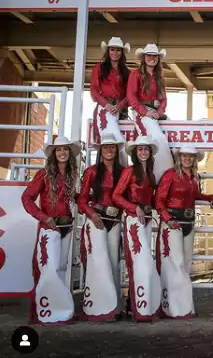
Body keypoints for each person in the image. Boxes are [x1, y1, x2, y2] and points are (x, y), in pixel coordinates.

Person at [21, 136, 81, 324]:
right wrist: (44, 218)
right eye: (58, 150)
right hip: (50, 227)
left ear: (69, 153)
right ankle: (46, 311)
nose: (62, 153)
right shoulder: (44, 174)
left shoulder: (72, 174)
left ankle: (60, 310)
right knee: (50, 269)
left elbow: (74, 198)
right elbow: (26, 198)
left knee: (61, 269)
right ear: (54, 154)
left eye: (65, 149)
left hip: (67, 226)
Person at [155, 146, 213, 319]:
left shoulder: (194, 178)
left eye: (191, 156)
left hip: (188, 222)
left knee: (185, 263)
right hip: (173, 223)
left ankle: (183, 306)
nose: (187, 159)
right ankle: (179, 307)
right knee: (175, 263)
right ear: (179, 157)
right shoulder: (170, 175)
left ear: (195, 159)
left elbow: (195, 195)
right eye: (185, 155)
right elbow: (159, 200)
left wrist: (210, 197)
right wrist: (168, 219)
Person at [112, 135, 161, 322]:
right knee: (140, 262)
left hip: (147, 220)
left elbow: (153, 199)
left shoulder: (151, 174)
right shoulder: (129, 172)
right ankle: (136, 307)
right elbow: (116, 196)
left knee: (144, 262)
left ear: (149, 153)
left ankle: (137, 304)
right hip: (133, 220)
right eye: (140, 149)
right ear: (135, 153)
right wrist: (134, 208)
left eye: (146, 149)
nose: (143, 152)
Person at [77, 133, 125, 322]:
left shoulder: (124, 171)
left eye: (112, 147)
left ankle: (114, 306)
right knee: (98, 261)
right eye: (106, 147)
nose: (109, 150)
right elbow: (82, 200)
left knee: (113, 262)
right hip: (96, 218)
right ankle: (97, 305)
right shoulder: (91, 172)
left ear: (116, 149)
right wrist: (92, 214)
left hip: (115, 219)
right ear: (100, 150)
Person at [127, 43, 174, 183]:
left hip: (155, 113)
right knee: (157, 139)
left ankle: (169, 175)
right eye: (149, 55)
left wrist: (159, 113)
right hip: (141, 112)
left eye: (154, 56)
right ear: (144, 57)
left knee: (169, 137)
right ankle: (160, 178)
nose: (152, 58)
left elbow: (163, 99)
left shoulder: (160, 77)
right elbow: (131, 96)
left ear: (158, 58)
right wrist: (144, 111)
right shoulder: (135, 74)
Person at [90, 36, 131, 166]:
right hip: (104, 109)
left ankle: (122, 175)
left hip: (120, 110)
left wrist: (119, 106)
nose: (115, 53)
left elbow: (130, 95)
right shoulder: (99, 68)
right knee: (114, 142)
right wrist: (106, 104)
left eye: (118, 50)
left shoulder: (127, 72)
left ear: (122, 52)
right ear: (108, 51)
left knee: (117, 143)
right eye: (112, 49)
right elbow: (94, 90)